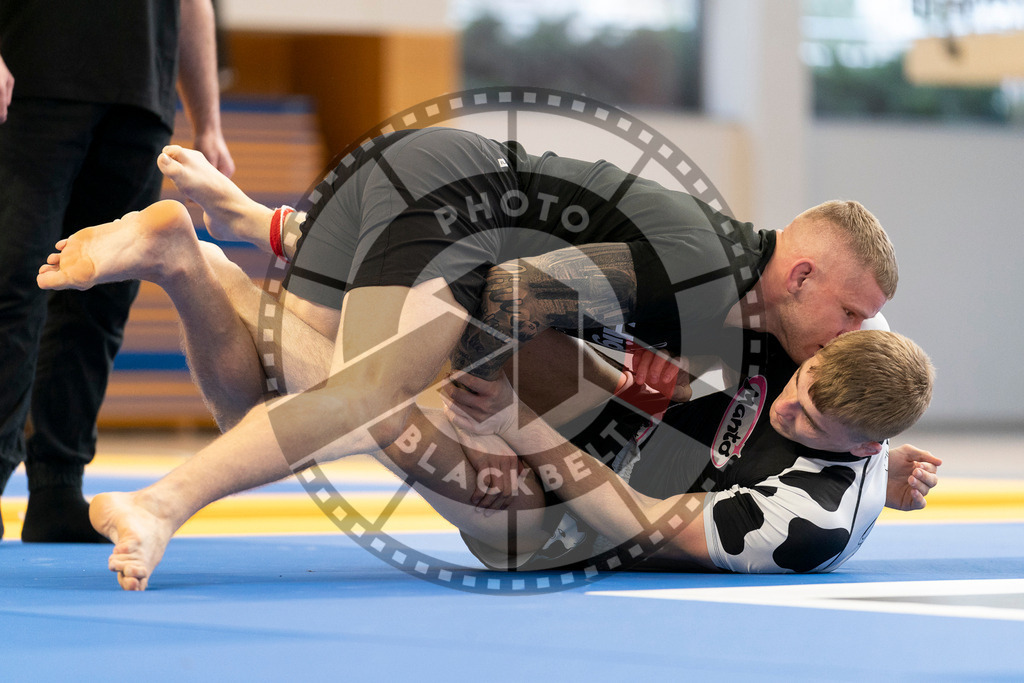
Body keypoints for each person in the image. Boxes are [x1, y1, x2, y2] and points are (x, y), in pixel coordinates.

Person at [35, 127, 905, 586]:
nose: (846, 337)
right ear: (799, 275)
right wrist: (491, 393)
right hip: (463, 217)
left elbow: (876, 390)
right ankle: (159, 504)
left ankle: (194, 260)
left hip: (435, 185)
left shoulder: (783, 327)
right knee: (378, 401)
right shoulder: (703, 272)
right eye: (851, 314)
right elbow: (511, 292)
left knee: (264, 397)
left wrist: (888, 464)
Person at [0, 0, 235, 543]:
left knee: (100, 297)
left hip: (140, 99)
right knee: (13, 284)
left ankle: (58, 488)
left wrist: (209, 121)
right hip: (35, 78)